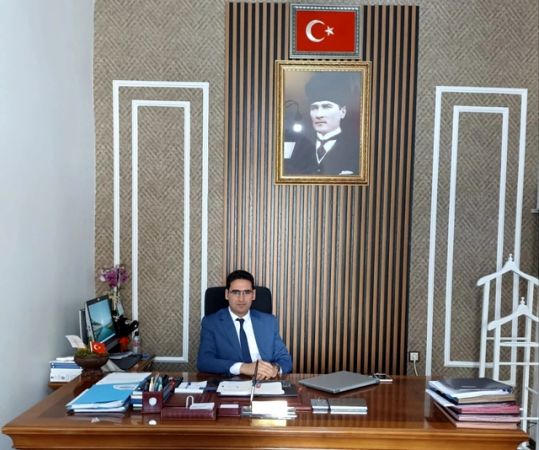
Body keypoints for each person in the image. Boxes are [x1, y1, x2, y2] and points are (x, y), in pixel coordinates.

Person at [197, 270, 292, 379]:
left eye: (247, 292)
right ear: (227, 294)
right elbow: (204, 362)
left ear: (253, 295)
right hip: (230, 382)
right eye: (236, 292)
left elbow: (285, 359)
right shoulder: (211, 323)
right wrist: (243, 367)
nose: (241, 299)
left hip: (264, 381)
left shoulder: (269, 321)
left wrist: (275, 369)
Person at [285, 72, 360, 176]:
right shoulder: (298, 142)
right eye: (314, 107)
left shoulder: (357, 147)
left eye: (326, 107)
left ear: (342, 112)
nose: (319, 115)